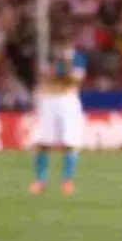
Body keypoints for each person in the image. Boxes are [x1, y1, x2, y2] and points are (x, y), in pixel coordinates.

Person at [29, 35, 87, 196]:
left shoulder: (78, 59)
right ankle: (40, 181)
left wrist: (64, 68)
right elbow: (45, 77)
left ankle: (67, 180)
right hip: (49, 100)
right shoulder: (49, 58)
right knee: (44, 141)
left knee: (70, 141)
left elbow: (75, 79)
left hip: (67, 100)